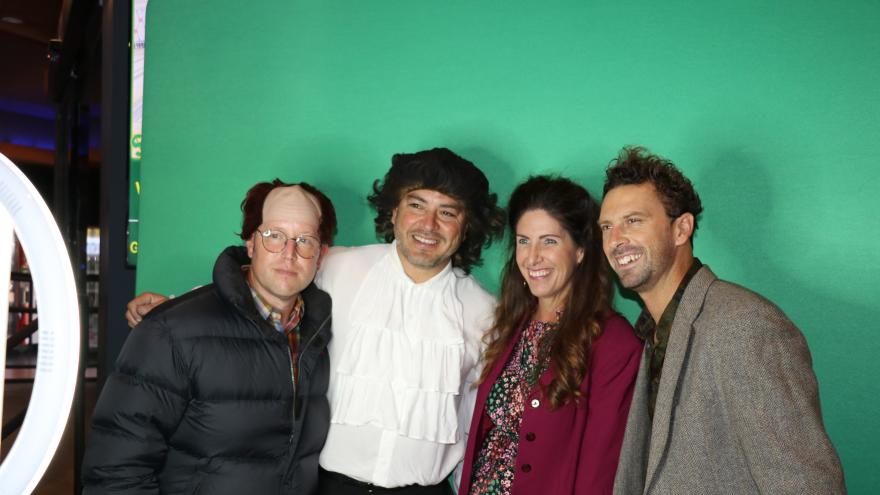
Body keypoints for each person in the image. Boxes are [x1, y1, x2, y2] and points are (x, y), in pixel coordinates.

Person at [125, 148, 506, 495]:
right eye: (417, 205)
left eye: (448, 212)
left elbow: (487, 423)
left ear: (467, 225)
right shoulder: (340, 266)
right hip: (327, 488)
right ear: (394, 211)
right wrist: (177, 306)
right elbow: (264, 285)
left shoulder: (487, 313)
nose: (429, 224)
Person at [599, 147, 846, 494]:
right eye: (607, 226)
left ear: (681, 228)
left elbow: (806, 485)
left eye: (634, 221)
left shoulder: (746, 326)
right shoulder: (653, 335)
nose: (616, 239)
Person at [83, 181, 337, 495]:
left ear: (321, 254)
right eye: (274, 236)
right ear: (250, 243)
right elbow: (115, 470)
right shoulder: (172, 332)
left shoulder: (318, 336)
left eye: (305, 240)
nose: (289, 253)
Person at [458, 176, 642, 495]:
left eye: (550, 241)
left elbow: (602, 468)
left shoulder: (613, 342)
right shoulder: (512, 325)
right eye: (523, 241)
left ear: (581, 250)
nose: (533, 257)